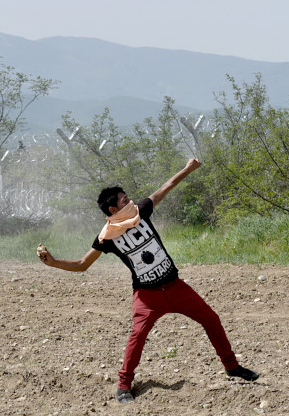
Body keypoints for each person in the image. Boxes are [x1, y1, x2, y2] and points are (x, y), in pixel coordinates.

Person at [36, 158, 259, 403]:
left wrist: (187, 169)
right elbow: (82, 264)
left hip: (176, 287)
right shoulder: (106, 238)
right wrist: (53, 262)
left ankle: (232, 367)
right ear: (113, 210)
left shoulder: (141, 211)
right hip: (147, 296)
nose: (129, 201)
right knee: (138, 335)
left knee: (211, 319)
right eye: (123, 200)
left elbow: (165, 188)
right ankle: (123, 386)